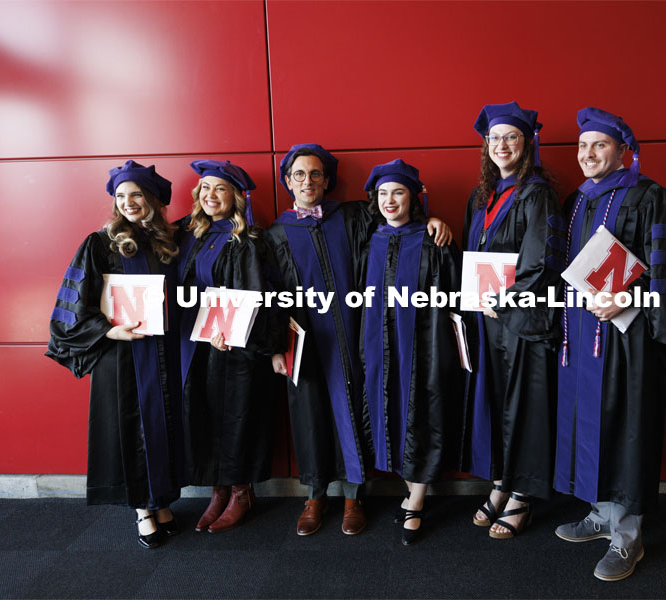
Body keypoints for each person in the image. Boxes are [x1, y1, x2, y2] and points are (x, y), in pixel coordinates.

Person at [264, 144, 451, 536]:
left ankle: (353, 494)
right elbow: (269, 293)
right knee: (309, 414)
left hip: (352, 334)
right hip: (305, 339)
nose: (308, 181)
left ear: (327, 180)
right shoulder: (276, 233)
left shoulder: (350, 216)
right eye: (299, 174)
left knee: (352, 408)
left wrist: (431, 217)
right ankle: (315, 494)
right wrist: (275, 346)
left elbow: (398, 228)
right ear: (287, 181)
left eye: (316, 174)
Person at [553, 107, 666, 581]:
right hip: (581, 334)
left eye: (599, 145)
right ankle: (601, 514)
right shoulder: (574, 203)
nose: (588, 154)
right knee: (588, 423)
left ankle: (628, 538)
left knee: (627, 426)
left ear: (622, 151)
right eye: (583, 146)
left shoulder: (651, 198)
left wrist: (628, 297)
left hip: (630, 337)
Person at [46, 160, 183, 549]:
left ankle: (163, 500)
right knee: (131, 428)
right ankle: (142, 508)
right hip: (122, 354)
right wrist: (108, 330)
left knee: (164, 422)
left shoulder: (169, 241)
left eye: (137, 194)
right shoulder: (100, 242)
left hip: (162, 350)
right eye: (121, 196)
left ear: (153, 199)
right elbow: (74, 306)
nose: (129, 203)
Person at [460, 102, 567, 539]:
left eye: (512, 137)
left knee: (526, 406)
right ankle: (503, 480)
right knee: (500, 402)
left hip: (525, 319)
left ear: (527, 144)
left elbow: (541, 262)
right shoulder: (482, 195)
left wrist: (502, 300)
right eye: (495, 138)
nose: (502, 145)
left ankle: (523, 494)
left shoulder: (537, 193)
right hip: (491, 320)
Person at [360, 159, 463, 545]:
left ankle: (417, 498)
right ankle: (410, 488)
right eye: (383, 193)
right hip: (378, 346)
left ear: (414, 197)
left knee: (421, 408)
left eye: (398, 192)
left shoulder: (435, 240)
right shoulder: (370, 238)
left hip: (424, 346)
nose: (390, 200)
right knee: (387, 409)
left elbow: (454, 295)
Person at [175, 160, 279, 533]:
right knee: (202, 413)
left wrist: (232, 331)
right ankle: (217, 490)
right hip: (195, 345)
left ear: (235, 196)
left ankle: (240, 491)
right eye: (204, 189)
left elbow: (259, 295)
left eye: (219, 189)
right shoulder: (186, 234)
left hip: (234, 347)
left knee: (235, 414)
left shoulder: (248, 240)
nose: (210, 196)